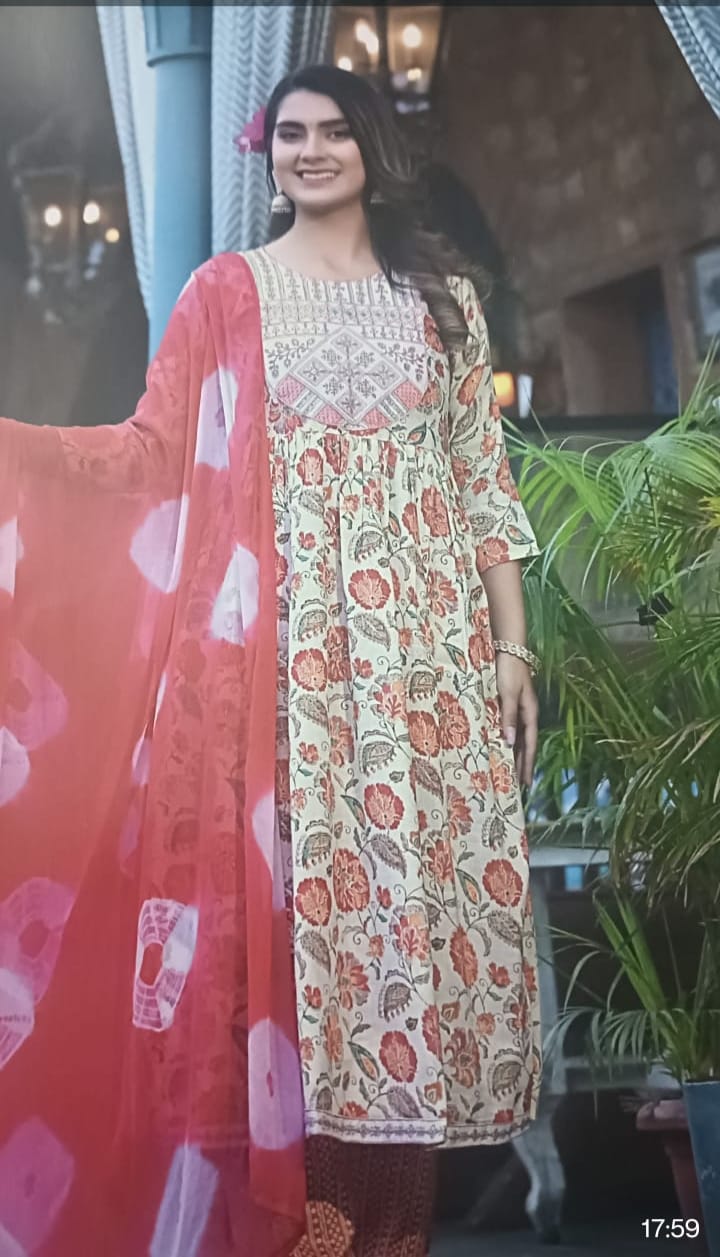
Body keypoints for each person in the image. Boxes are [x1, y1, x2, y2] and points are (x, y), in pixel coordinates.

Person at [0, 65, 541, 1257]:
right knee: (296, 950)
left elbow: (478, 481)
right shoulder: (223, 295)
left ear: (374, 147)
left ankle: (387, 1233)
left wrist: (512, 650)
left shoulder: (440, 303)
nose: (308, 151)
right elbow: (149, 457)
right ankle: (301, 1232)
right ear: (270, 153)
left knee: (403, 932)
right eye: (289, 134)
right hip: (280, 684)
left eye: (332, 131)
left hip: (426, 676)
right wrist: (20, 458)